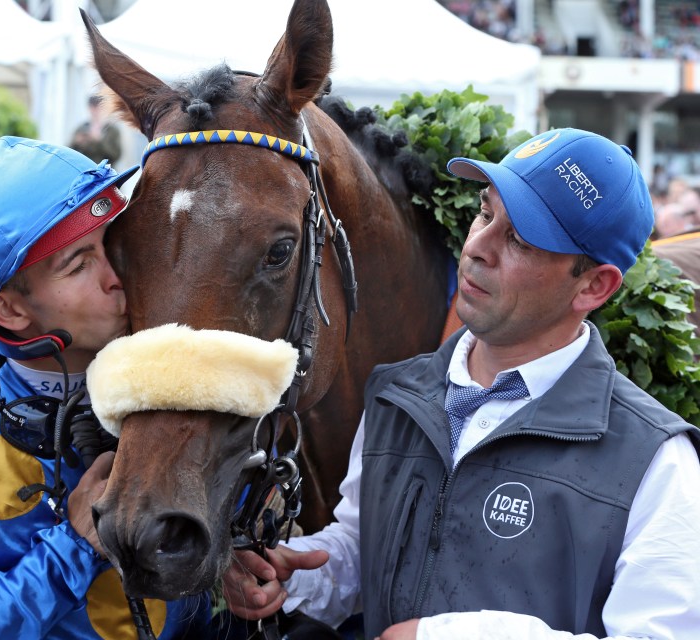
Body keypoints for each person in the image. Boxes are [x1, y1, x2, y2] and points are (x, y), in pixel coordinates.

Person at [222, 128, 700, 639]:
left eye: (519, 238)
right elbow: (366, 547)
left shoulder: (655, 460)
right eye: (486, 212)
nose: (477, 247)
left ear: (594, 285)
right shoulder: (395, 395)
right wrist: (297, 575)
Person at [0, 130, 212, 639]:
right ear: (9, 310)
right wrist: (72, 550)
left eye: (113, 242)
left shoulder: (182, 379)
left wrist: (230, 568)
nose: (118, 272)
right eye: (80, 263)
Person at [69, 94, 121, 165]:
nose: (95, 111)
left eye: (97, 107)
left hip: (106, 172)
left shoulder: (112, 130)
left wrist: (99, 141)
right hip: (86, 169)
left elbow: (116, 155)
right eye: (92, 107)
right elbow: (69, 151)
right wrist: (76, 142)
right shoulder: (81, 128)